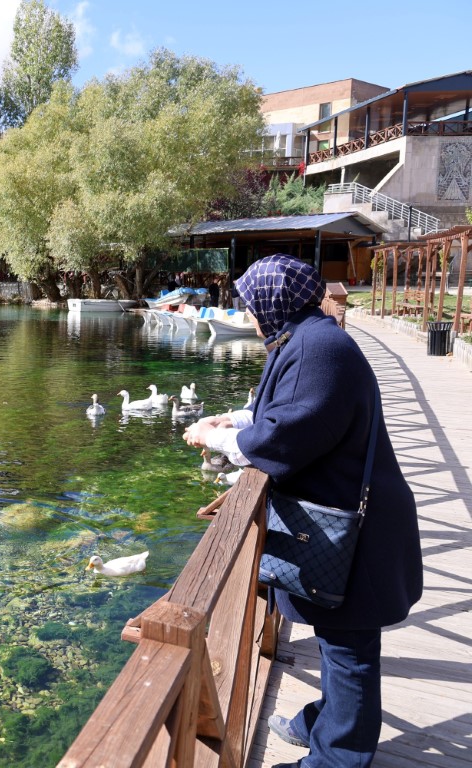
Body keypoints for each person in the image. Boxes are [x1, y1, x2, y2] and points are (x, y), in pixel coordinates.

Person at [183, 254, 422, 768]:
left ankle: (338, 757)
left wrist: (214, 436)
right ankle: (326, 719)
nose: (247, 312)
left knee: (350, 648)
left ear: (274, 301)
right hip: (349, 518)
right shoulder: (308, 339)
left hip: (359, 530)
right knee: (341, 640)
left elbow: (287, 437)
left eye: (251, 302)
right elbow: (296, 409)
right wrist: (242, 416)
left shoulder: (319, 349)